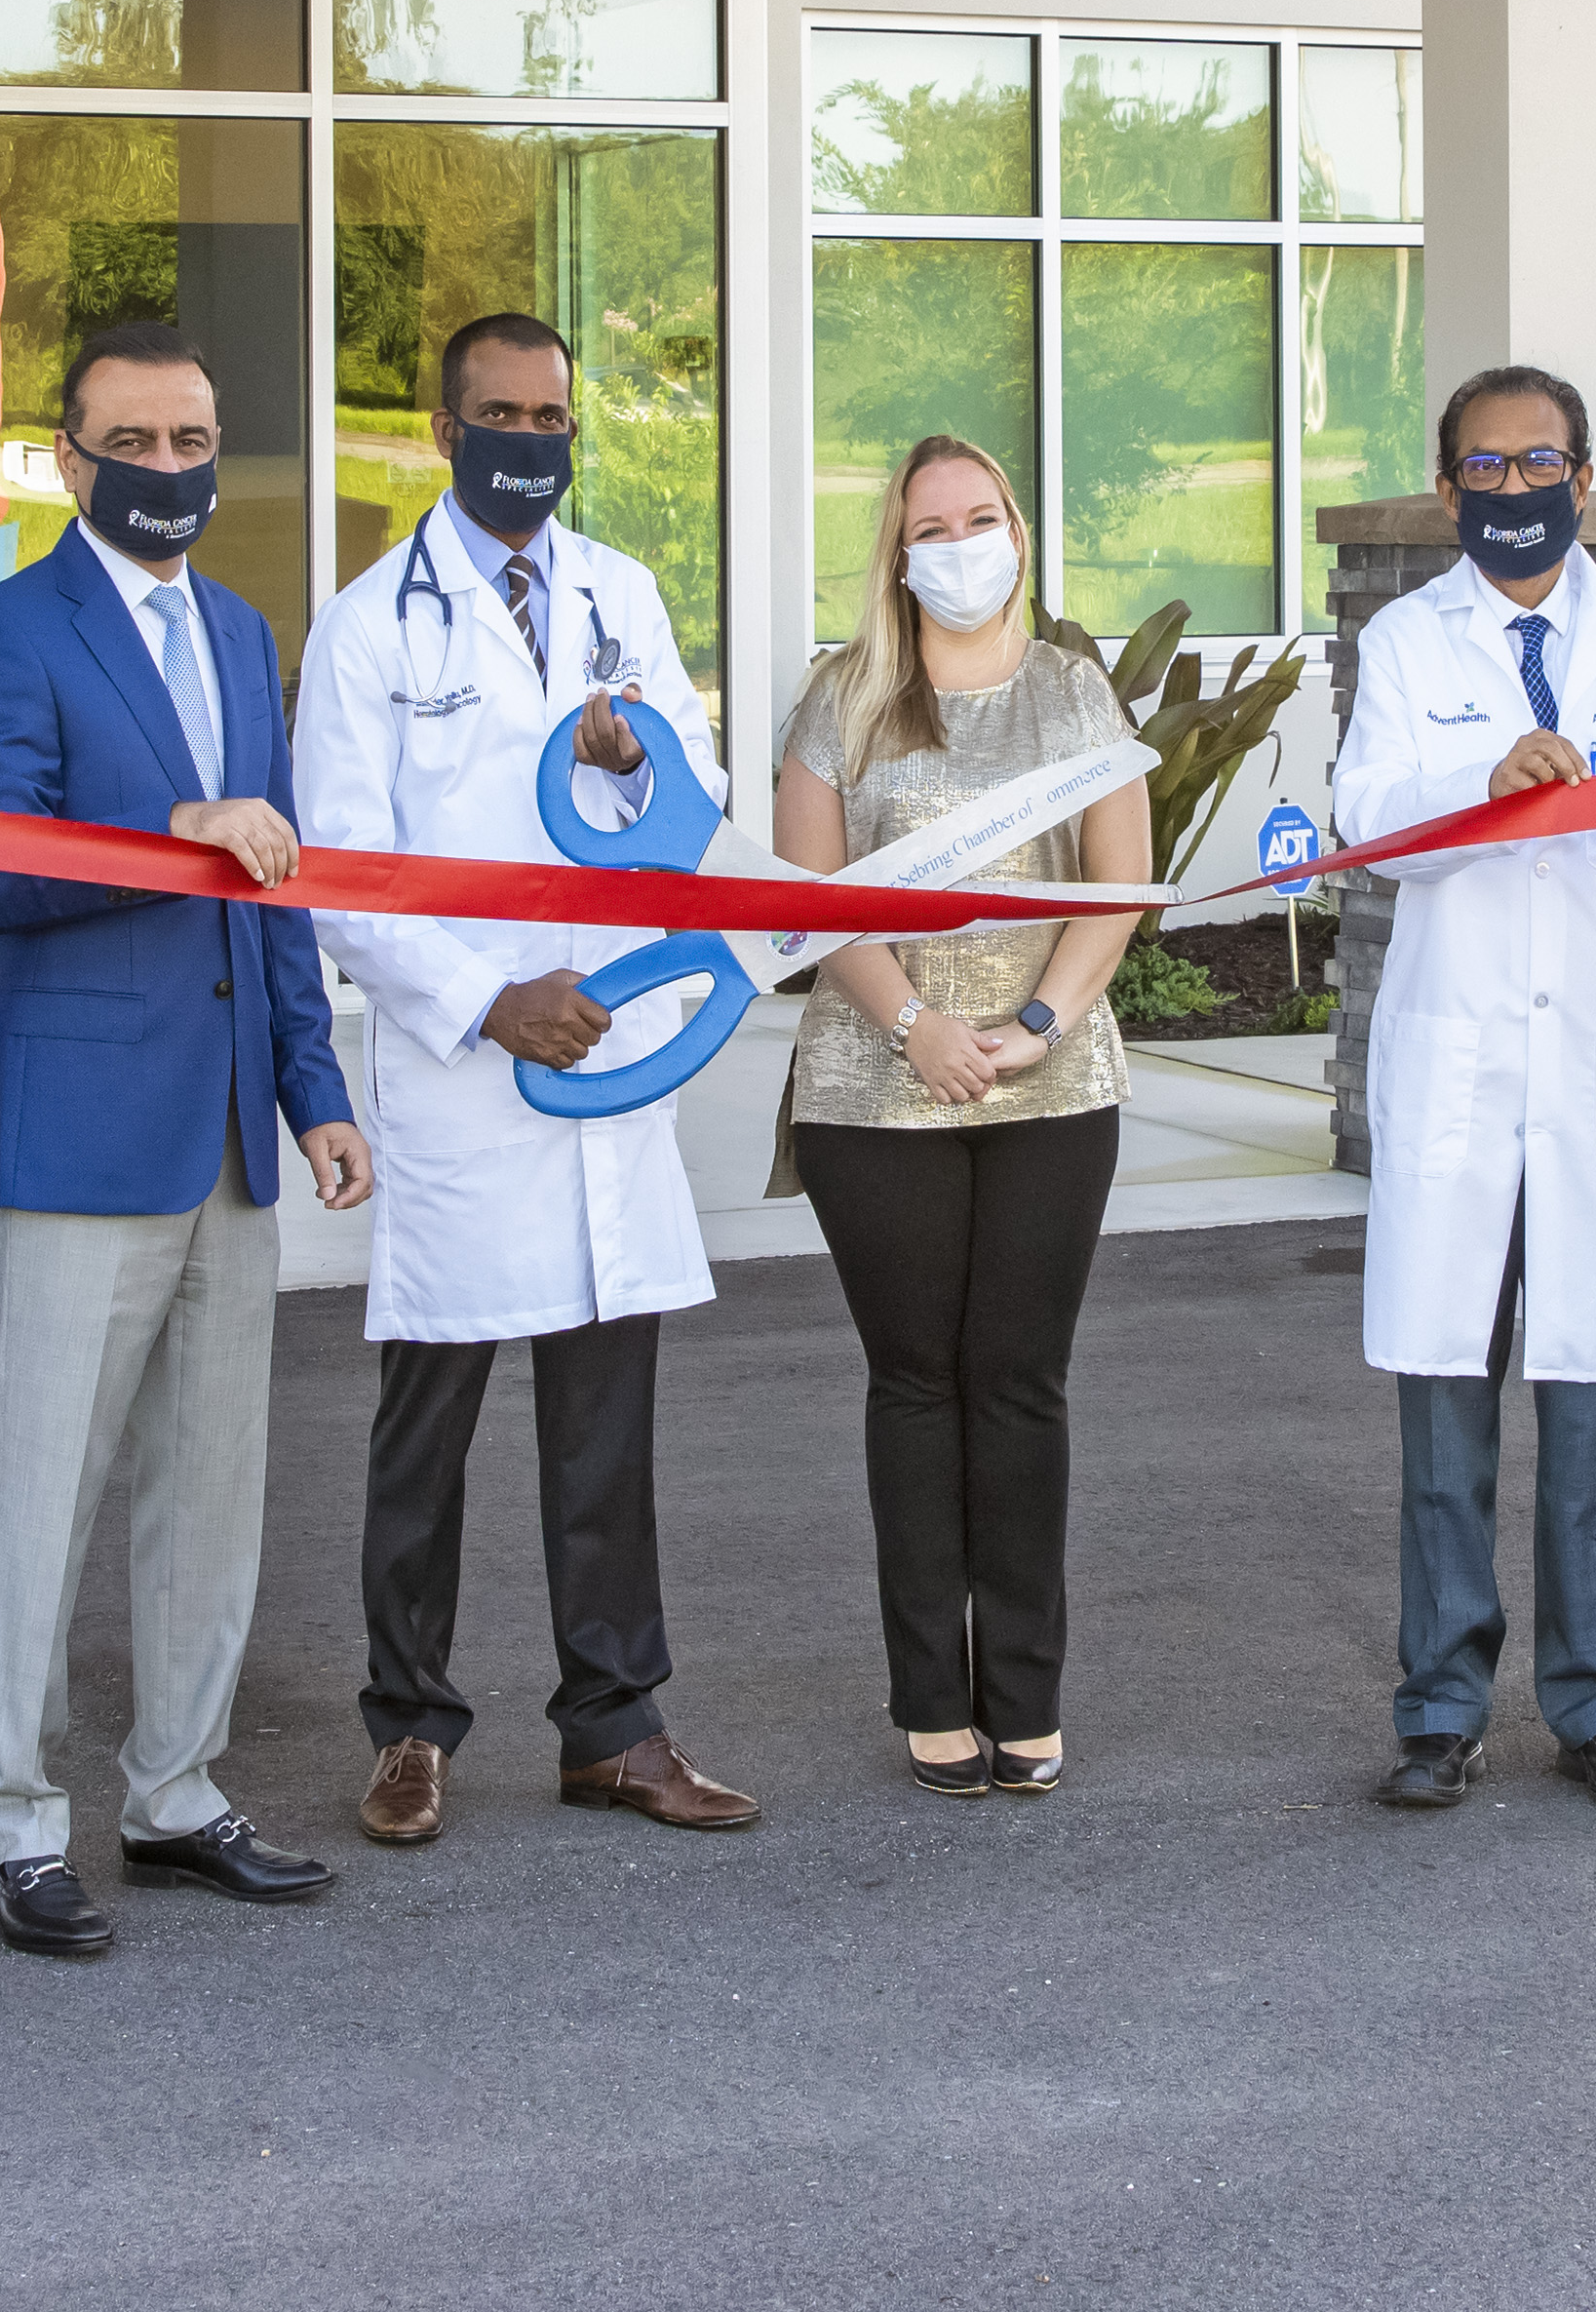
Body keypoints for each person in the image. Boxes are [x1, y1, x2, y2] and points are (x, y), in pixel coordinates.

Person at [288, 311, 759, 1844]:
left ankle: (614, 1725)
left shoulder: (621, 596)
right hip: (466, 1070)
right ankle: (410, 1726)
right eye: (500, 415)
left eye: (553, 418)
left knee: (604, 1419)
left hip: (610, 1049)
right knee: (429, 1418)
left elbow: (694, 788)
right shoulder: (372, 624)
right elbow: (343, 873)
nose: (530, 443)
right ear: (443, 430)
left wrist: (630, 757)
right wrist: (487, 1001)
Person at [0, 319, 372, 1960]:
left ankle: (178, 1789)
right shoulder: (4, 635)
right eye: (138, 443)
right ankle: (7, 1820)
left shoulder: (245, 630)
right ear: (71, 457)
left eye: (194, 442)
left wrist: (316, 1090)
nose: (171, 471)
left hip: (229, 1135)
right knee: (44, 1493)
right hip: (76, 1129)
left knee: (211, 1488)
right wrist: (171, 834)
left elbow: (278, 891)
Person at [1332, 361, 1596, 1816]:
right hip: (1457, 1061)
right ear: (1447, 490)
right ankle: (1440, 1702)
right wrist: (1486, 787)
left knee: (1585, 1390)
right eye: (1487, 470)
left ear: (1584, 474)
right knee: (1446, 1392)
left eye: (1542, 464)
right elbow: (1368, 823)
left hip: (1592, 1065)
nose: (1516, 491)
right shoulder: (1405, 642)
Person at [773, 435, 1151, 1798]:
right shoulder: (843, 699)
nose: (957, 545)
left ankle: (1028, 1694)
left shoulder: (1075, 689)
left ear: (1017, 532)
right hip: (877, 1081)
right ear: (897, 552)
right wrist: (914, 1027)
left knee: (1020, 1380)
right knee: (915, 1382)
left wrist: (1037, 1026)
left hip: (1052, 1075)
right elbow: (809, 903)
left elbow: (1118, 884)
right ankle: (932, 1692)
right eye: (930, 527)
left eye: (978, 518)